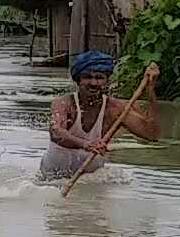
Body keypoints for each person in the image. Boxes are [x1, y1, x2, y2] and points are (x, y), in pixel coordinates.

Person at [38, 50, 161, 181]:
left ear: (106, 81)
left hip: (90, 180)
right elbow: (56, 133)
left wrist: (150, 91)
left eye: (99, 78)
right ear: (78, 80)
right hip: (52, 178)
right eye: (87, 77)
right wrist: (87, 145)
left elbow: (152, 135)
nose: (93, 83)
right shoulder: (64, 103)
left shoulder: (114, 109)